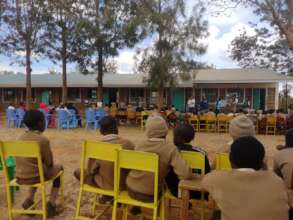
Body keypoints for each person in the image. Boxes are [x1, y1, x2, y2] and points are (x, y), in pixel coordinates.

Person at [202, 136, 290, 220]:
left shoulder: (218, 179)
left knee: (216, 214)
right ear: (263, 161)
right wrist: (265, 167)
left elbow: (206, 180)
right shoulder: (277, 181)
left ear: (230, 160)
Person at [126, 116, 192, 204]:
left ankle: (137, 207)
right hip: (151, 195)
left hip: (130, 189)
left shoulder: (139, 145)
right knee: (164, 183)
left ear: (147, 131)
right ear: (166, 131)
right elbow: (185, 174)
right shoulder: (170, 148)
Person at [74, 116, 135, 202]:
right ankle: (109, 196)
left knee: (78, 172)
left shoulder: (97, 147)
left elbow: (91, 170)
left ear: (101, 131)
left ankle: (107, 195)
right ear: (116, 128)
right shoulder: (128, 144)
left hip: (106, 184)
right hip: (124, 184)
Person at [16, 110, 63, 218]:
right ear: (39, 123)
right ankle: (51, 203)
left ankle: (29, 200)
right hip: (36, 177)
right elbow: (50, 163)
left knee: (36, 169)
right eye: (43, 120)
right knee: (60, 168)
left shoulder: (19, 138)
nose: (45, 122)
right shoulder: (43, 140)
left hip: (19, 176)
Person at [165, 124, 211, 198]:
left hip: (175, 190)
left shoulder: (170, 151)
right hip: (197, 191)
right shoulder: (201, 153)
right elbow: (207, 173)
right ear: (192, 137)